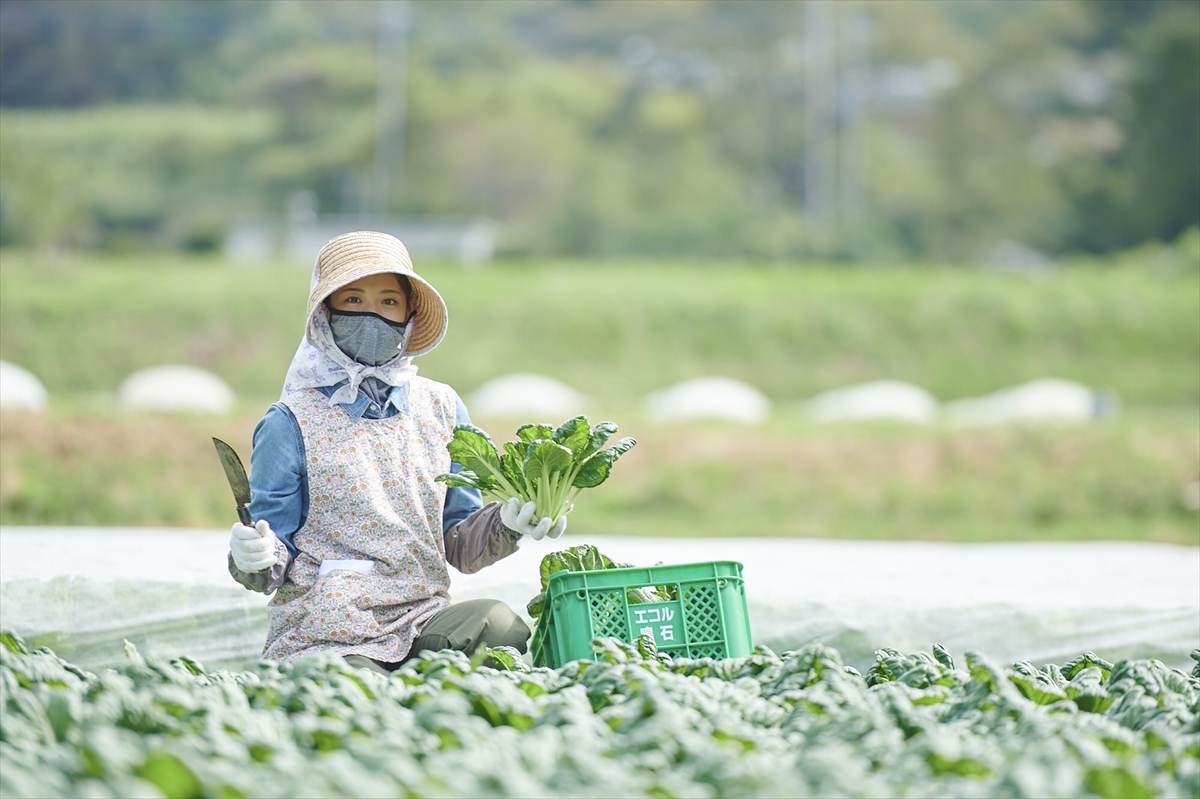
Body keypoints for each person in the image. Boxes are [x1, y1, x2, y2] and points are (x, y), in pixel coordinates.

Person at [226, 230, 566, 675]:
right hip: (331, 628)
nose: (372, 315)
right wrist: (252, 557)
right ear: (325, 313)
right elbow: (274, 551)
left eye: (388, 302)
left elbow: (460, 543)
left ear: (408, 313)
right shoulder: (290, 421)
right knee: (352, 686)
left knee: (498, 628)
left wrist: (508, 521)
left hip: (422, 616)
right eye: (353, 301)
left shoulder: (441, 407)